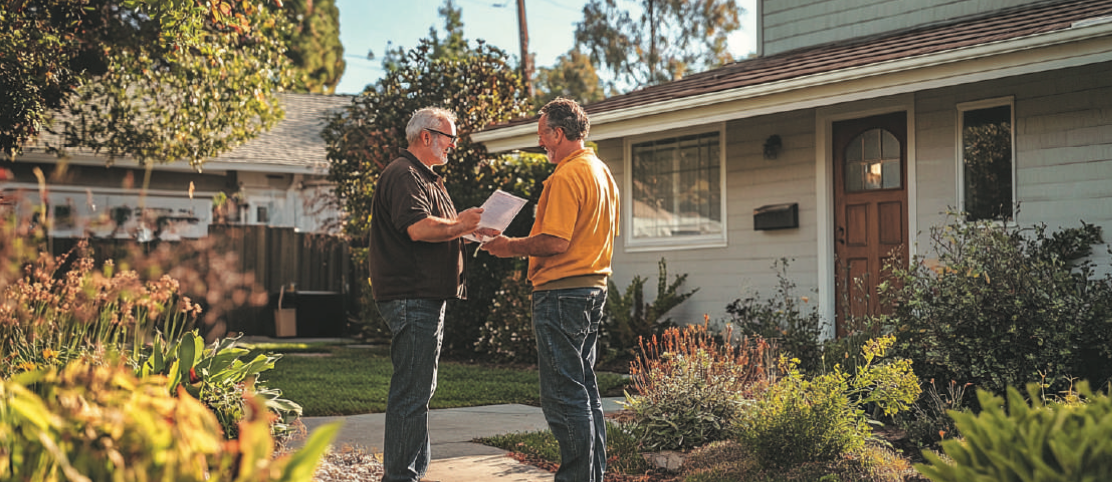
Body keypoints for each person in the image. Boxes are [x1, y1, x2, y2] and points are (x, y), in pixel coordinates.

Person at [481, 97, 620, 482]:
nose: (540, 141)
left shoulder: (566, 176)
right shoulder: (601, 172)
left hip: (562, 293)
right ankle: (592, 475)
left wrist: (508, 246)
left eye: (542, 134)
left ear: (558, 133)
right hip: (592, 289)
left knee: (562, 396)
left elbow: (555, 241)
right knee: (584, 390)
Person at [369, 106, 489, 482]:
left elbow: (441, 228)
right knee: (412, 392)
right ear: (427, 137)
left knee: (419, 389)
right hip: (412, 295)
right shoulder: (405, 174)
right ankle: (401, 476)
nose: (452, 146)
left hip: (422, 296)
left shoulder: (426, 178)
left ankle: (412, 472)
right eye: (449, 138)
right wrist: (460, 223)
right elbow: (419, 229)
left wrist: (470, 231)